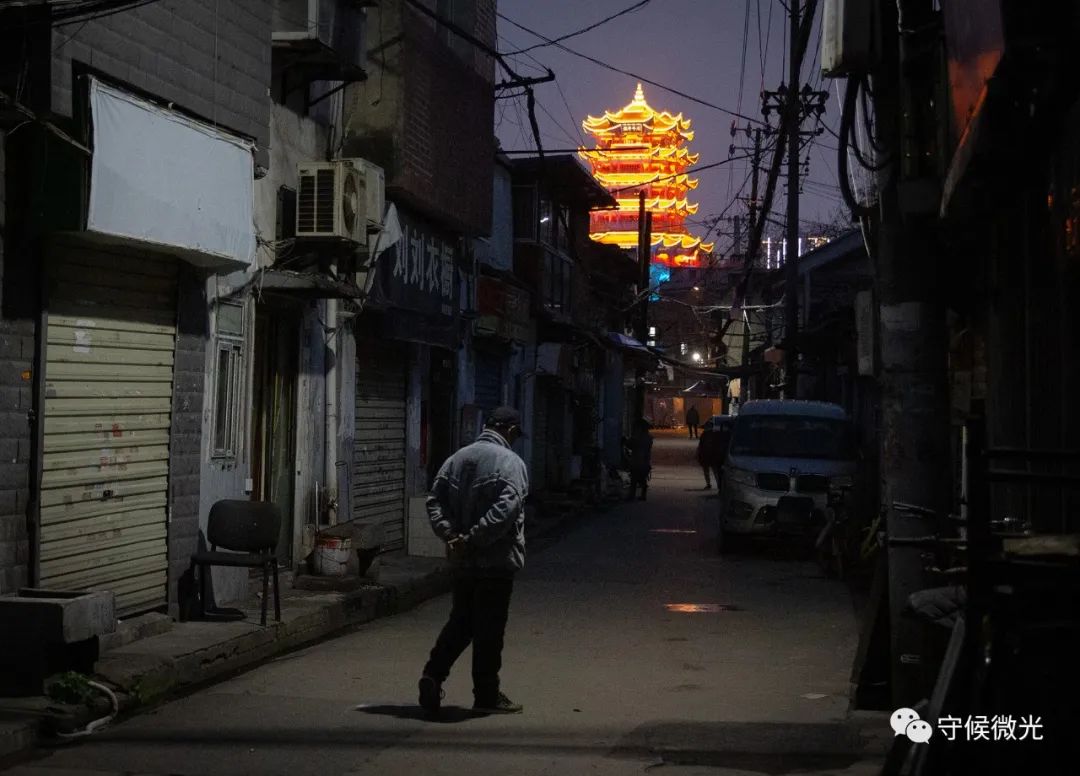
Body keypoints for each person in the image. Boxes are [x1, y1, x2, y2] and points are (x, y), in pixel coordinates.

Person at [419, 406, 529, 717]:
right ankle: (486, 694)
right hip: (495, 563)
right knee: (489, 631)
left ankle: (432, 675)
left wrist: (451, 536)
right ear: (509, 430)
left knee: (461, 622)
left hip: (463, 562)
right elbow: (505, 512)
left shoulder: (456, 459)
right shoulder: (511, 463)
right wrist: (473, 539)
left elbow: (434, 500)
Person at [626, 418, 654, 501]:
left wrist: (627, 441)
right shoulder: (648, 438)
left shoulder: (638, 437)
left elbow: (629, 444)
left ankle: (632, 495)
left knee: (634, 479)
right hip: (645, 461)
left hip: (637, 460)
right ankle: (642, 495)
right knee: (641, 478)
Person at [697, 419, 717, 488]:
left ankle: (708, 484)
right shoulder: (715, 434)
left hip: (706, 455)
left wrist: (699, 454)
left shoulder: (704, 435)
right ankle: (718, 483)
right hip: (712, 455)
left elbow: (701, 446)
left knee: (707, 471)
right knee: (715, 471)